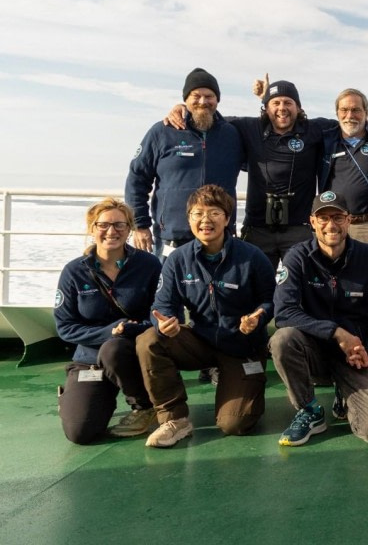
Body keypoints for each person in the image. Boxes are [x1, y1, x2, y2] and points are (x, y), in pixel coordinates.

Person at [165, 77, 368, 269]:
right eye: (276, 103)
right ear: (266, 107)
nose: (282, 108)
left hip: (299, 229)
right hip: (257, 228)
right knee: (253, 287)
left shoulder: (315, 129)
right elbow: (210, 116)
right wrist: (181, 107)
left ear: (298, 107)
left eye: (288, 102)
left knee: (306, 287)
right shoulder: (249, 127)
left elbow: (350, 120)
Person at [136, 185, 275, 448]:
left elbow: (271, 299)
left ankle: (237, 385)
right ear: (189, 219)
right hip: (200, 342)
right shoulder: (178, 259)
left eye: (214, 213)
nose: (205, 220)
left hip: (242, 348)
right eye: (197, 213)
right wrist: (165, 323)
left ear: (227, 218)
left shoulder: (252, 257)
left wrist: (259, 316)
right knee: (149, 339)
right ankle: (175, 419)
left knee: (234, 424)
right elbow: (163, 304)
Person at [269, 191, 368, 446]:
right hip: (313, 349)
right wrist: (336, 332)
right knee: (283, 339)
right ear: (312, 222)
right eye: (323, 218)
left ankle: (345, 391)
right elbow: (283, 312)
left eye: (337, 217)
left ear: (349, 220)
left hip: (355, 355)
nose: (331, 225)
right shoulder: (297, 257)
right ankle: (309, 410)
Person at [54, 199, 162, 444]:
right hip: (90, 360)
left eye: (119, 225)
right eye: (103, 225)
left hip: (132, 354)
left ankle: (144, 406)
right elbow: (65, 326)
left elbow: (159, 313)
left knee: (114, 348)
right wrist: (109, 331)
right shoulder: (74, 271)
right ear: (92, 229)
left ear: (129, 229)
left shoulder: (149, 265)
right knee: (80, 432)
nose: (111, 231)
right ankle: (76, 398)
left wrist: (130, 329)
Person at [126, 68, 244, 257]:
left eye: (209, 96)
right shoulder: (162, 131)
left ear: (217, 100)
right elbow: (137, 179)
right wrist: (140, 225)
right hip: (172, 238)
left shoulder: (233, 134)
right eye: (196, 96)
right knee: (169, 286)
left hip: (220, 237)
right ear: (186, 100)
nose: (203, 102)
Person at [319, 89, 368, 255]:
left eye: (356, 110)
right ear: (337, 113)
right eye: (344, 110)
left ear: (366, 113)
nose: (349, 115)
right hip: (333, 226)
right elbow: (294, 123)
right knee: (332, 278)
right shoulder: (325, 139)